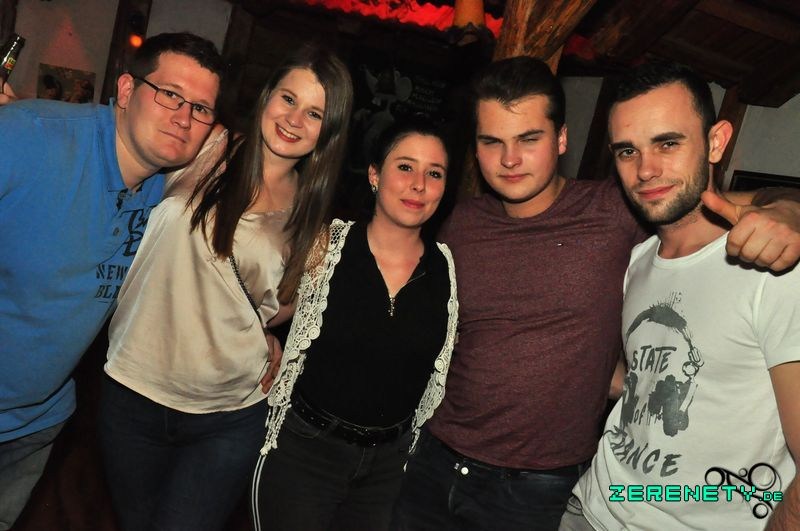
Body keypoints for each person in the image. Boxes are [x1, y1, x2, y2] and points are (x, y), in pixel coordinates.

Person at [390, 57, 800, 531]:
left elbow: (696, 202)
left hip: (536, 488)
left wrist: (788, 210)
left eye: (529, 139)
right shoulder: (461, 224)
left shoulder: (616, 212)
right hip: (437, 458)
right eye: (492, 142)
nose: (510, 159)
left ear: (562, 139)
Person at [98, 46, 353, 531]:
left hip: (228, 414)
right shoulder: (207, 145)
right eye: (288, 99)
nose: (294, 119)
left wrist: (262, 334)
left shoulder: (313, 222)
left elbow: (281, 307)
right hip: (133, 387)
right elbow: (120, 141)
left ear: (329, 131)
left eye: (315, 113)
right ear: (267, 96)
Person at [560, 61, 800, 531]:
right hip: (591, 508)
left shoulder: (773, 269)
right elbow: (641, 380)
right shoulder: (638, 261)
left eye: (668, 143)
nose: (646, 170)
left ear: (716, 142)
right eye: (628, 151)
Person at [0, 32, 223, 531]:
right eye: (169, 94)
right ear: (125, 90)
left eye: (200, 108)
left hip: (38, 422)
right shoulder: (28, 137)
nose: (183, 118)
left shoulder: (168, 191)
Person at [250, 118, 459, 531]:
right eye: (405, 167)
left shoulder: (447, 269)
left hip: (388, 470)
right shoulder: (326, 246)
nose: (419, 184)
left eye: (434, 173)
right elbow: (261, 311)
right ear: (374, 175)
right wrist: (264, 339)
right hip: (306, 455)